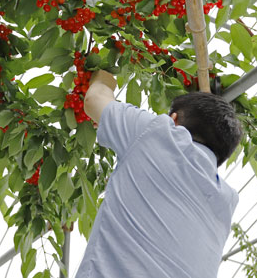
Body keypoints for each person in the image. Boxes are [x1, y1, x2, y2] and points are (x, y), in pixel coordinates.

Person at [74, 70, 243, 278]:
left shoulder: (159, 134)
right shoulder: (226, 201)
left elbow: (94, 98)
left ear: (173, 120)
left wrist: (103, 73)